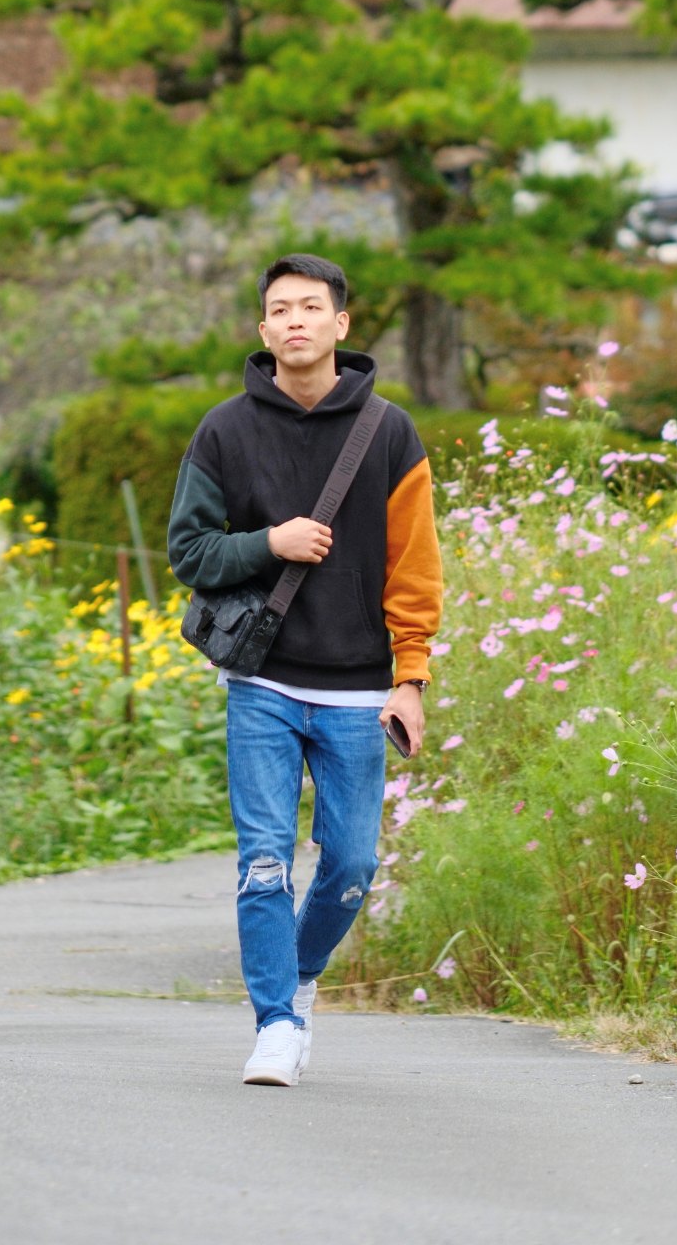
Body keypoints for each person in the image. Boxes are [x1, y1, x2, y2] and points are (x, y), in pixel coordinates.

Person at [167, 252, 443, 1087]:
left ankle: (298, 978)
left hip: (360, 690)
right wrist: (268, 543)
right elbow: (187, 549)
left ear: (339, 325)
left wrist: (411, 678)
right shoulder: (222, 429)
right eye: (279, 308)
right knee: (262, 860)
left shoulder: (390, 432)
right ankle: (275, 1026)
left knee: (353, 865)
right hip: (263, 685)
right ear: (262, 330)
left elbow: (414, 568)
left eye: (310, 307)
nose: (294, 320)